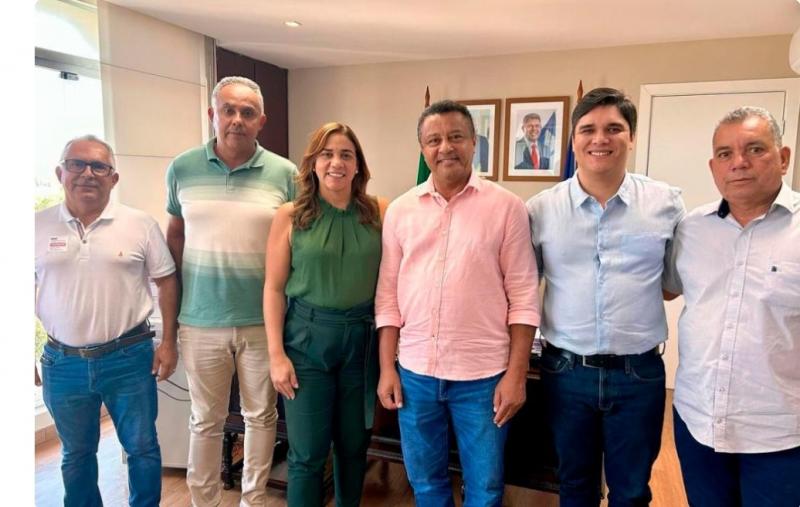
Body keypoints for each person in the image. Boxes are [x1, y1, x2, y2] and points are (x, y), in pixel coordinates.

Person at [376, 100, 541, 506]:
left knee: (485, 488)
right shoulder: (400, 211)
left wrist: (517, 375)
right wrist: (387, 369)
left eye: (455, 137)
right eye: (434, 140)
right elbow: (388, 296)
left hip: (483, 378)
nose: (445, 147)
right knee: (425, 483)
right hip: (415, 375)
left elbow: (524, 296)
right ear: (423, 149)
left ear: (473, 142)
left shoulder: (507, 208)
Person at [526, 87, 685, 507]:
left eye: (614, 128)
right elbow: (525, 287)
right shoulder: (541, 209)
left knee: (631, 492)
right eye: (588, 129)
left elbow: (671, 285)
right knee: (573, 485)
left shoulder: (666, 203)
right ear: (573, 139)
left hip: (639, 374)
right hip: (566, 371)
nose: (601, 139)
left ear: (631, 136)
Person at [165, 76, 297, 507]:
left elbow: (297, 241)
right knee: (206, 419)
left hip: (263, 323)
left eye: (247, 112)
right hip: (200, 320)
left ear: (261, 121)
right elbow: (175, 234)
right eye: (228, 110)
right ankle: (204, 501)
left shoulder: (285, 173)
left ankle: (253, 500)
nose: (237, 119)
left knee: (261, 417)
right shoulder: (182, 168)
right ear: (213, 115)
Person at [663, 107, 800, 507]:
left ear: (783, 158)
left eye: (754, 149)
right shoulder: (691, 228)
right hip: (698, 422)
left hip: (780, 435)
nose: (738, 162)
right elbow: (668, 290)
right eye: (725, 154)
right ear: (713, 167)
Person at [35, 135, 178, 507]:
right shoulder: (34, 226)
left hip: (128, 358)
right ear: (60, 173)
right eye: (77, 164)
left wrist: (168, 342)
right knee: (76, 453)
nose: (88, 173)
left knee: (142, 447)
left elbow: (166, 280)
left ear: (113, 178)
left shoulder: (139, 224)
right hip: (62, 362)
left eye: (99, 166)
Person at [264, 122, 388, 506]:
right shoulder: (290, 215)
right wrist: (276, 355)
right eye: (327, 154)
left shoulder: (381, 212)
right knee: (307, 454)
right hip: (305, 341)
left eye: (346, 155)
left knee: (353, 448)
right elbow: (273, 288)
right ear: (313, 164)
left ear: (358, 165)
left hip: (362, 342)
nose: (336, 162)